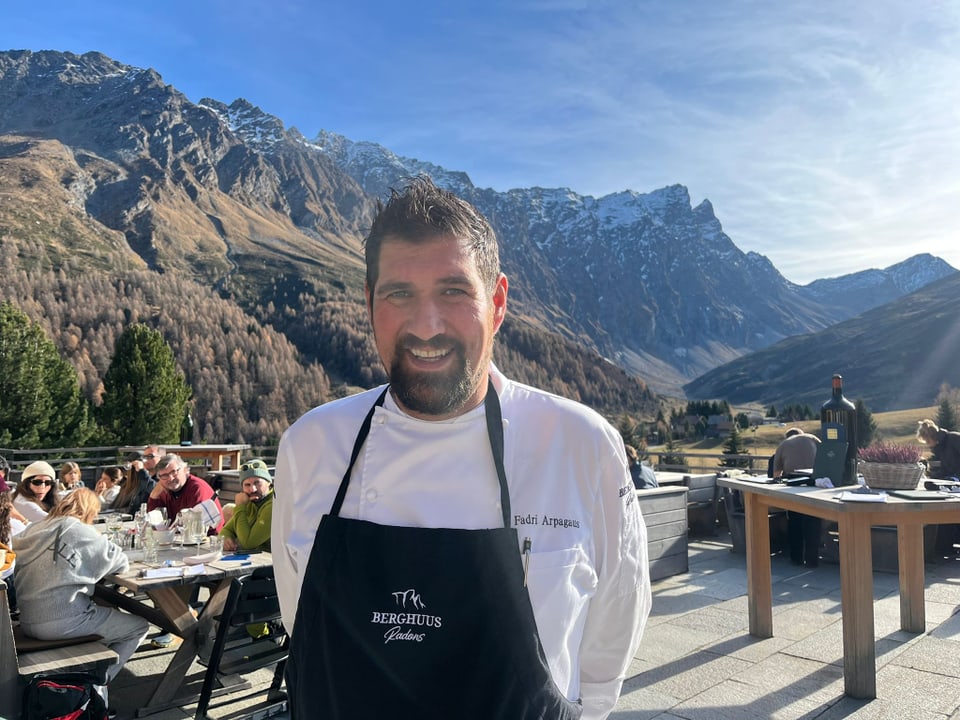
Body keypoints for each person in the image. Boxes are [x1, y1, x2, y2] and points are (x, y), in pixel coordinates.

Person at [274, 177, 651, 720]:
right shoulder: (310, 445)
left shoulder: (580, 445)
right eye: (399, 293)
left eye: (453, 291)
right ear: (369, 302)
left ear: (496, 302)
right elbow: (300, 619)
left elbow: (614, 626)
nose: (426, 326)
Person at [13, 488, 150, 707]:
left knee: (107, 616)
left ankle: (85, 674)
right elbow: (120, 562)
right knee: (138, 626)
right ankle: (96, 686)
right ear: (89, 511)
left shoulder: (34, 528)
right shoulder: (76, 529)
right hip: (62, 622)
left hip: (27, 622)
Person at [773, 428, 822, 566]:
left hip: (794, 484)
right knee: (814, 519)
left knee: (795, 521)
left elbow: (776, 474)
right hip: (814, 483)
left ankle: (796, 558)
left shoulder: (783, 445)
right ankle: (812, 559)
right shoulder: (812, 438)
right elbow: (826, 456)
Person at [146, 454, 223, 534]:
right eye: (165, 475)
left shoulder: (197, 489)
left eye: (174, 472)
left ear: (185, 470)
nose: (171, 478)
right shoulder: (164, 490)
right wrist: (154, 495)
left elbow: (195, 527)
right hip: (178, 541)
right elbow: (154, 525)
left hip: (207, 541)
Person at [219, 459, 273, 553]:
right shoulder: (250, 502)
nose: (252, 489)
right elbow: (226, 530)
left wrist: (240, 507)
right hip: (255, 559)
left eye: (257, 483)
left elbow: (248, 544)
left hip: (274, 563)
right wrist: (226, 539)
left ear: (269, 483)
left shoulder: (273, 505)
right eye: (247, 485)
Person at [113, 452, 157, 516]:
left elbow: (153, 488)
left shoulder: (149, 482)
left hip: (136, 519)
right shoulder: (126, 485)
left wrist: (142, 472)